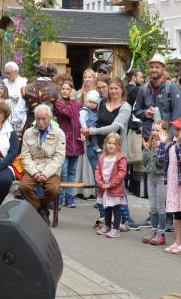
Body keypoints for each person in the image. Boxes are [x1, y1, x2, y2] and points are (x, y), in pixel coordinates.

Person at [85, 77, 138, 229]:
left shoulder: (126, 107)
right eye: (112, 88)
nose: (114, 91)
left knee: (117, 185)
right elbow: (92, 118)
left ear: (122, 90)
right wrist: (86, 130)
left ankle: (125, 219)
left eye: (116, 88)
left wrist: (92, 131)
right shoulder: (101, 103)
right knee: (100, 183)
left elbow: (113, 128)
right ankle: (104, 218)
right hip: (98, 148)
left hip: (116, 152)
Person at [17, 104, 66, 221]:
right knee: (23, 187)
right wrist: (34, 173)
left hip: (51, 170)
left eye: (44, 118)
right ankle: (41, 209)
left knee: (53, 190)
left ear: (50, 118)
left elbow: (59, 157)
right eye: (38, 118)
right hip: (33, 168)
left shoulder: (59, 133)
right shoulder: (28, 132)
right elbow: (25, 156)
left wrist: (45, 174)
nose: (40, 122)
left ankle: (40, 206)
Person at [157, 116, 181, 254]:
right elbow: (161, 160)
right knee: (176, 213)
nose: (177, 131)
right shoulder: (171, 144)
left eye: (180, 128)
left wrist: (180, 143)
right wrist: (162, 143)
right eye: (176, 128)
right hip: (173, 182)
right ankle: (177, 240)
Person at [52, 76, 82, 208]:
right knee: (63, 171)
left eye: (68, 89)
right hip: (64, 140)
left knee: (72, 171)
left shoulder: (76, 103)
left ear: (72, 90)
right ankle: (60, 196)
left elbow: (78, 119)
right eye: (63, 89)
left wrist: (83, 133)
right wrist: (71, 100)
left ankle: (69, 197)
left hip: (76, 141)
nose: (65, 91)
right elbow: (68, 114)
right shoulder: (59, 103)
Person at [134, 54, 181, 140]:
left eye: (157, 67)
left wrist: (169, 137)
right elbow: (136, 110)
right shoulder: (143, 89)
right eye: (151, 67)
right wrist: (145, 113)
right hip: (149, 139)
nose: (154, 70)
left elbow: (177, 115)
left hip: (166, 138)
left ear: (163, 68)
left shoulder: (171, 87)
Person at [94, 133, 129, 237]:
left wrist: (111, 184)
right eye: (109, 143)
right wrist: (100, 183)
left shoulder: (120, 158)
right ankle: (107, 226)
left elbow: (121, 173)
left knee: (116, 208)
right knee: (107, 208)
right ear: (105, 144)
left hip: (115, 188)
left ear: (118, 146)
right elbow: (97, 171)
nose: (111, 145)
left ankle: (116, 229)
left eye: (114, 143)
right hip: (104, 188)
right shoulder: (101, 157)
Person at [141, 121, 168, 245]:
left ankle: (161, 233)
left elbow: (161, 164)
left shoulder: (165, 145)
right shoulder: (150, 143)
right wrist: (146, 150)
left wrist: (159, 148)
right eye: (153, 130)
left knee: (160, 207)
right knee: (152, 207)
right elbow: (145, 162)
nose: (154, 133)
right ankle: (153, 231)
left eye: (158, 130)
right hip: (150, 177)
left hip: (161, 178)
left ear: (164, 132)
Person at [2, 61, 27, 132]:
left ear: (16, 72)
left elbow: (23, 97)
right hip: (7, 112)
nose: (6, 75)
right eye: (5, 73)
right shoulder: (3, 82)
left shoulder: (24, 82)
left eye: (8, 73)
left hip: (21, 112)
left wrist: (10, 96)